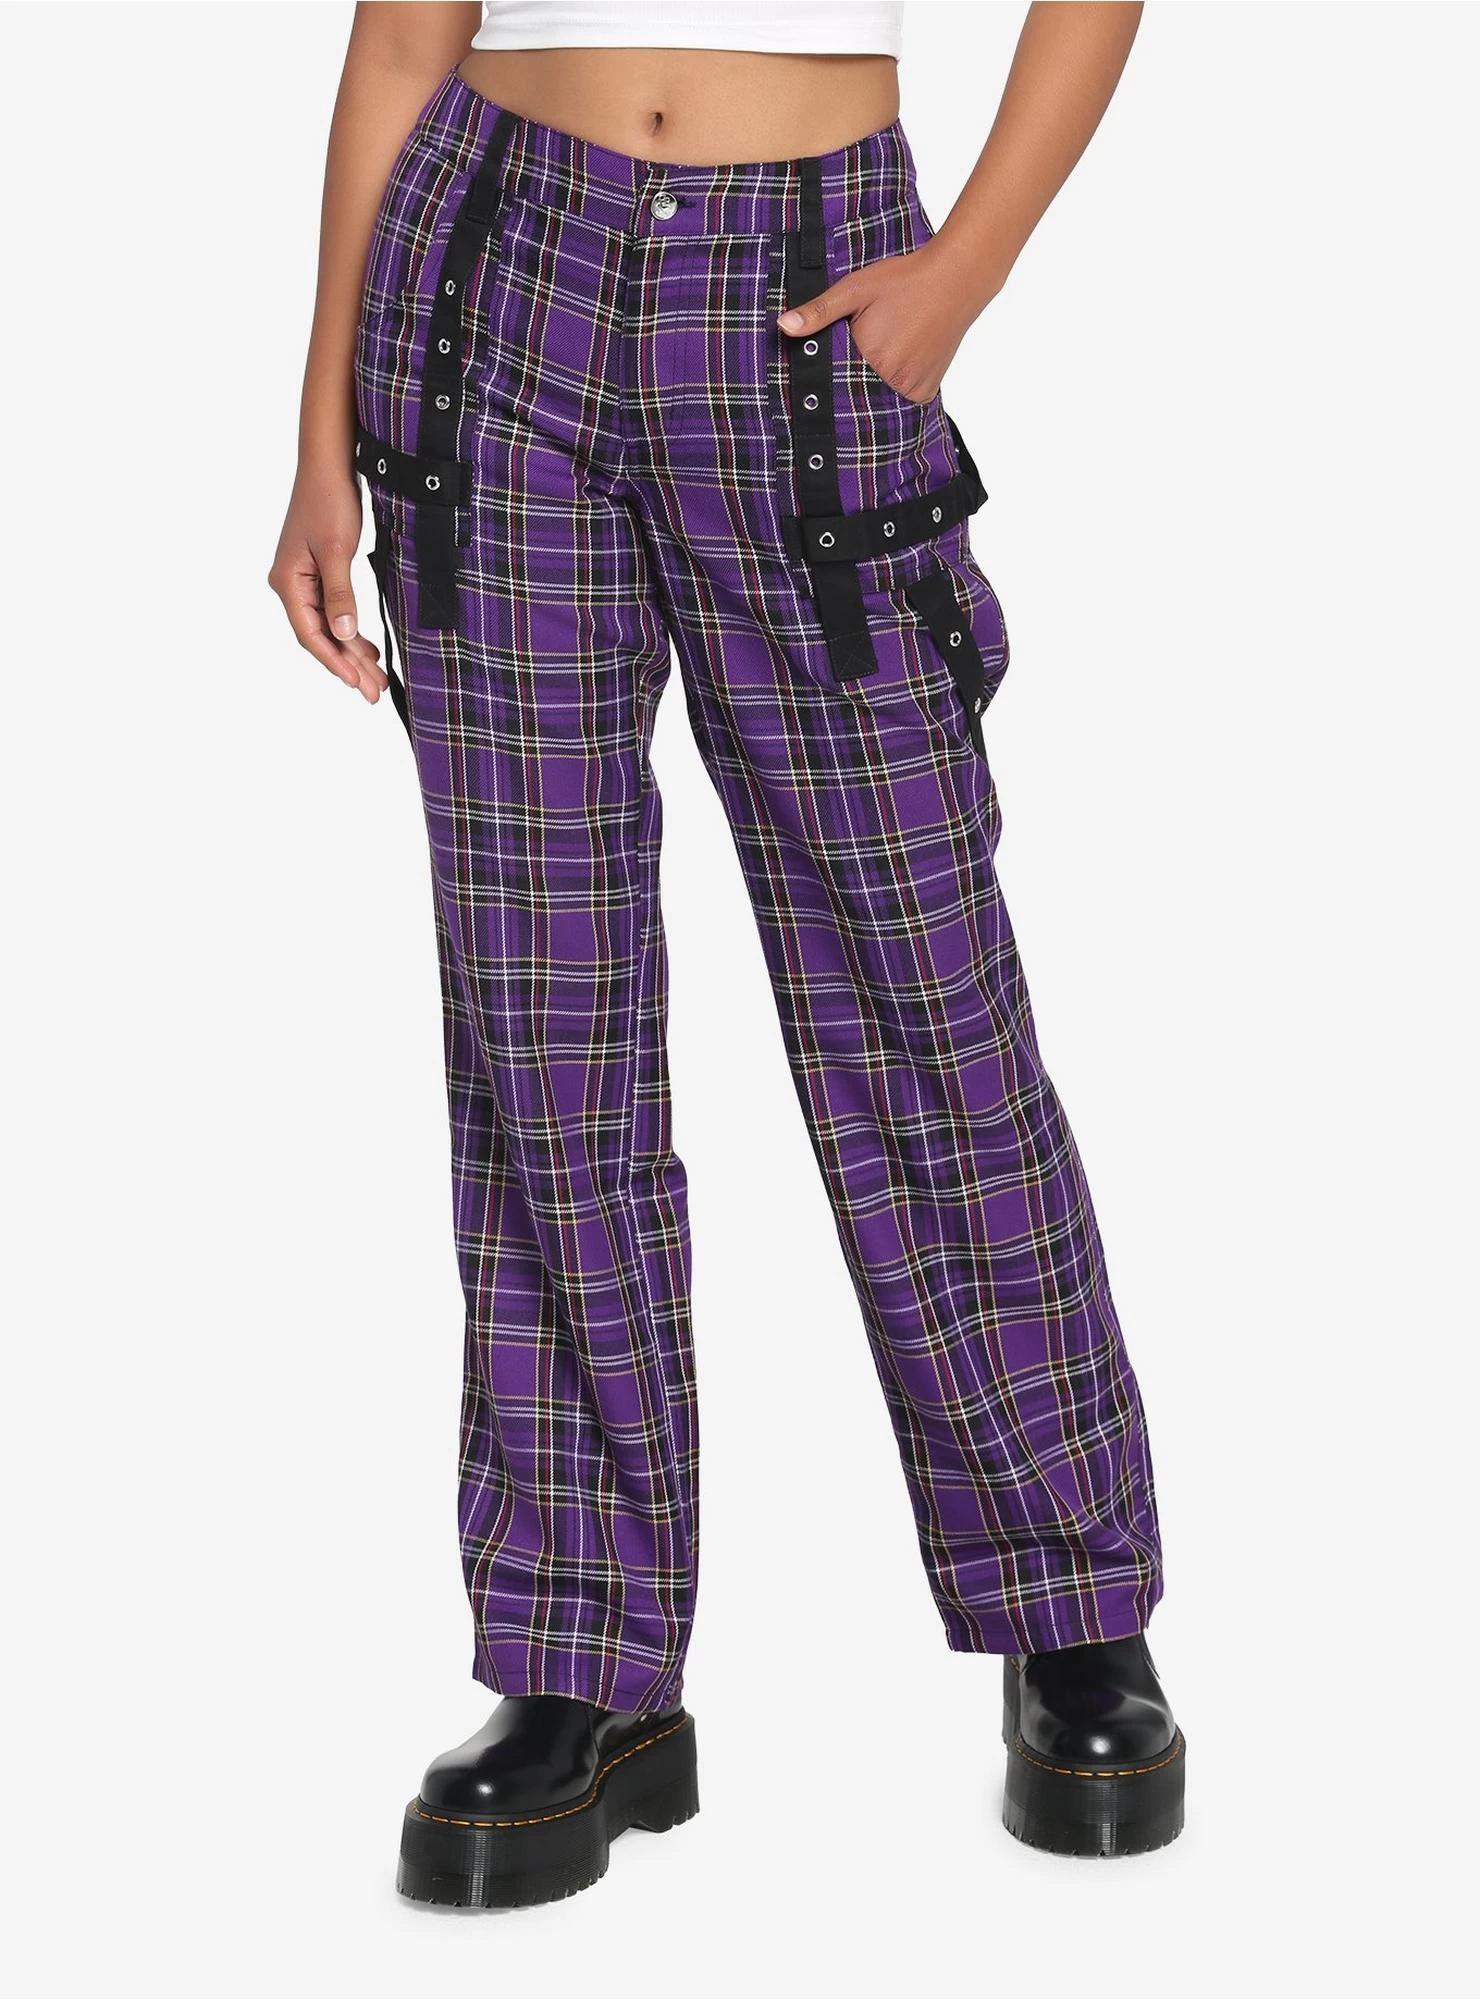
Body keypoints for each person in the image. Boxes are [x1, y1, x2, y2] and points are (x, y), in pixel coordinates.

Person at [270, 0, 1183, 1906]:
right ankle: (582, 1659)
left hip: (807, 279)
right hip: (493, 285)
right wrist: (313, 439)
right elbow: (400, 42)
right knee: (542, 1014)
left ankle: (1069, 1602)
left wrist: (969, 266)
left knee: (921, 991)